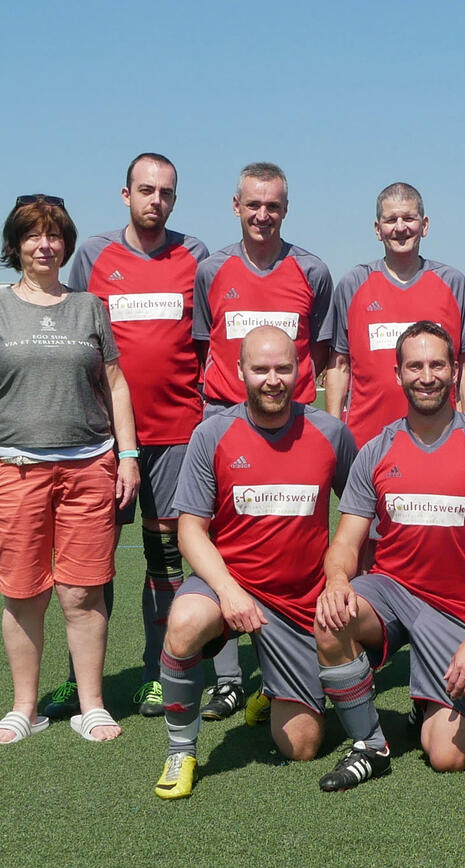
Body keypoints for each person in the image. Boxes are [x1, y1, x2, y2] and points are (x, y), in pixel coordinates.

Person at [153, 326, 355, 798]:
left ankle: (272, 686)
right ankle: (180, 751)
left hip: (299, 600)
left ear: (302, 370)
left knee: (302, 746)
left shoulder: (330, 433)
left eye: (283, 368)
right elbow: (189, 531)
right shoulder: (213, 433)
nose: (273, 379)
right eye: (260, 369)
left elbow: (361, 510)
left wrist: (342, 576)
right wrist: (228, 591)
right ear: (240, 371)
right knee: (183, 621)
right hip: (230, 584)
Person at [315, 322, 465, 790]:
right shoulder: (377, 449)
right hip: (393, 591)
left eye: (437, 365)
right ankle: (370, 744)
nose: (427, 376)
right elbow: (345, 542)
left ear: (453, 371)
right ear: (398, 374)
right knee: (330, 618)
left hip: (456, 611)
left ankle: (427, 702)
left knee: (446, 757)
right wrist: (338, 582)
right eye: (415, 366)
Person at [64, 153, 209, 718]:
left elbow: (204, 344)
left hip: (176, 434)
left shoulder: (195, 255)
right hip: (103, 436)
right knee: (91, 563)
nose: (156, 200)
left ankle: (158, 670)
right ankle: (85, 685)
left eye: (166, 193)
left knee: (164, 556)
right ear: (125, 194)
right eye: (146, 190)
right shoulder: (94, 256)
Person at [193, 162, 333, 720]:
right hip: (226, 420)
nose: (262, 214)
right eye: (253, 204)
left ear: (286, 208)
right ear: (236, 205)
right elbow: (206, 343)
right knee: (220, 544)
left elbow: (318, 351)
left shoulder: (312, 270)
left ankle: (284, 670)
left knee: (289, 537)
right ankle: (228, 677)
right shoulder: (212, 269)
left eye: (273, 205)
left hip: (288, 420)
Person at [0, 194, 139, 744]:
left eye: (54, 235)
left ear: (66, 244)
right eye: (33, 235)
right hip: (16, 469)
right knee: (22, 593)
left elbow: (116, 384)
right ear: (15, 245)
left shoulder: (88, 307)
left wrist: (127, 456)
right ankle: (24, 708)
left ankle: (91, 704)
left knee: (83, 593)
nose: (45, 244)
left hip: (88, 468)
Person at [323, 182, 465, 447]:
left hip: (440, 441)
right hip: (365, 444)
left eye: (409, 218)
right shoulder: (352, 284)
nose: (400, 227)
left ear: (425, 225)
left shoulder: (453, 283)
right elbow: (339, 366)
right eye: (390, 219)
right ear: (377, 229)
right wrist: (334, 433)